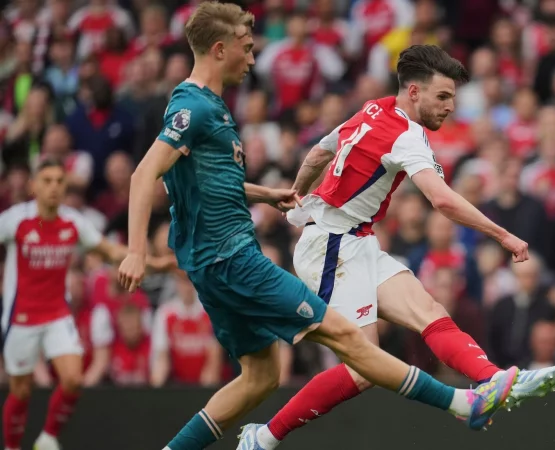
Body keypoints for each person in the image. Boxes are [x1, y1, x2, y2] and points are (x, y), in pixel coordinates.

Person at [115, 4, 519, 450]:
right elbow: (143, 175)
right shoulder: (195, 106)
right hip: (234, 259)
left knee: (262, 376)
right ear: (219, 48)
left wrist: (269, 194)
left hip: (215, 261)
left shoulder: (205, 105)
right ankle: (464, 404)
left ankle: (229, 443)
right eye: (248, 49)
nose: (253, 59)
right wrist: (135, 250)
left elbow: (204, 181)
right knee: (353, 343)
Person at [271, 44, 555, 448]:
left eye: (453, 98)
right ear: (414, 92)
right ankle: (265, 437)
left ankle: (493, 381)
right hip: (330, 249)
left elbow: (318, 153)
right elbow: (442, 199)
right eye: (442, 96)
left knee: (429, 311)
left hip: (354, 241)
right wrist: (503, 235)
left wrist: (296, 195)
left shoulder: (373, 108)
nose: (449, 107)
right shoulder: (407, 136)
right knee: (362, 368)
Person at [0, 159, 169, 450]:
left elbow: (110, 251)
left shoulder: (73, 222)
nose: (54, 187)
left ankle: (48, 438)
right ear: (33, 187)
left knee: (73, 380)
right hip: (21, 317)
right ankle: (13, 447)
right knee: (21, 391)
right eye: (47, 181)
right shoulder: (15, 220)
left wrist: (151, 262)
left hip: (56, 314)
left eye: (59, 181)